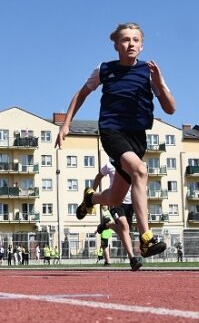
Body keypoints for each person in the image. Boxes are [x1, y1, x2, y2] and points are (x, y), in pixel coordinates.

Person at [56, 22, 176, 259]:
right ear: (116, 45)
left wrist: (160, 83)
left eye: (135, 40)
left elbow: (170, 109)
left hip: (137, 137)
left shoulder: (149, 72)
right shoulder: (104, 69)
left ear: (141, 46)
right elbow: (81, 94)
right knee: (140, 171)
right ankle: (146, 238)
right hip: (112, 131)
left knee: (115, 198)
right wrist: (66, 123)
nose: (130, 43)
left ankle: (91, 198)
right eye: (125, 39)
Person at [92, 161, 143, 271]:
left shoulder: (134, 162)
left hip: (131, 202)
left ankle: (107, 224)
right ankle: (133, 260)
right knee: (124, 226)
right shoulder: (109, 164)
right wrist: (92, 193)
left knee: (124, 231)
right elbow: (98, 177)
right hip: (116, 200)